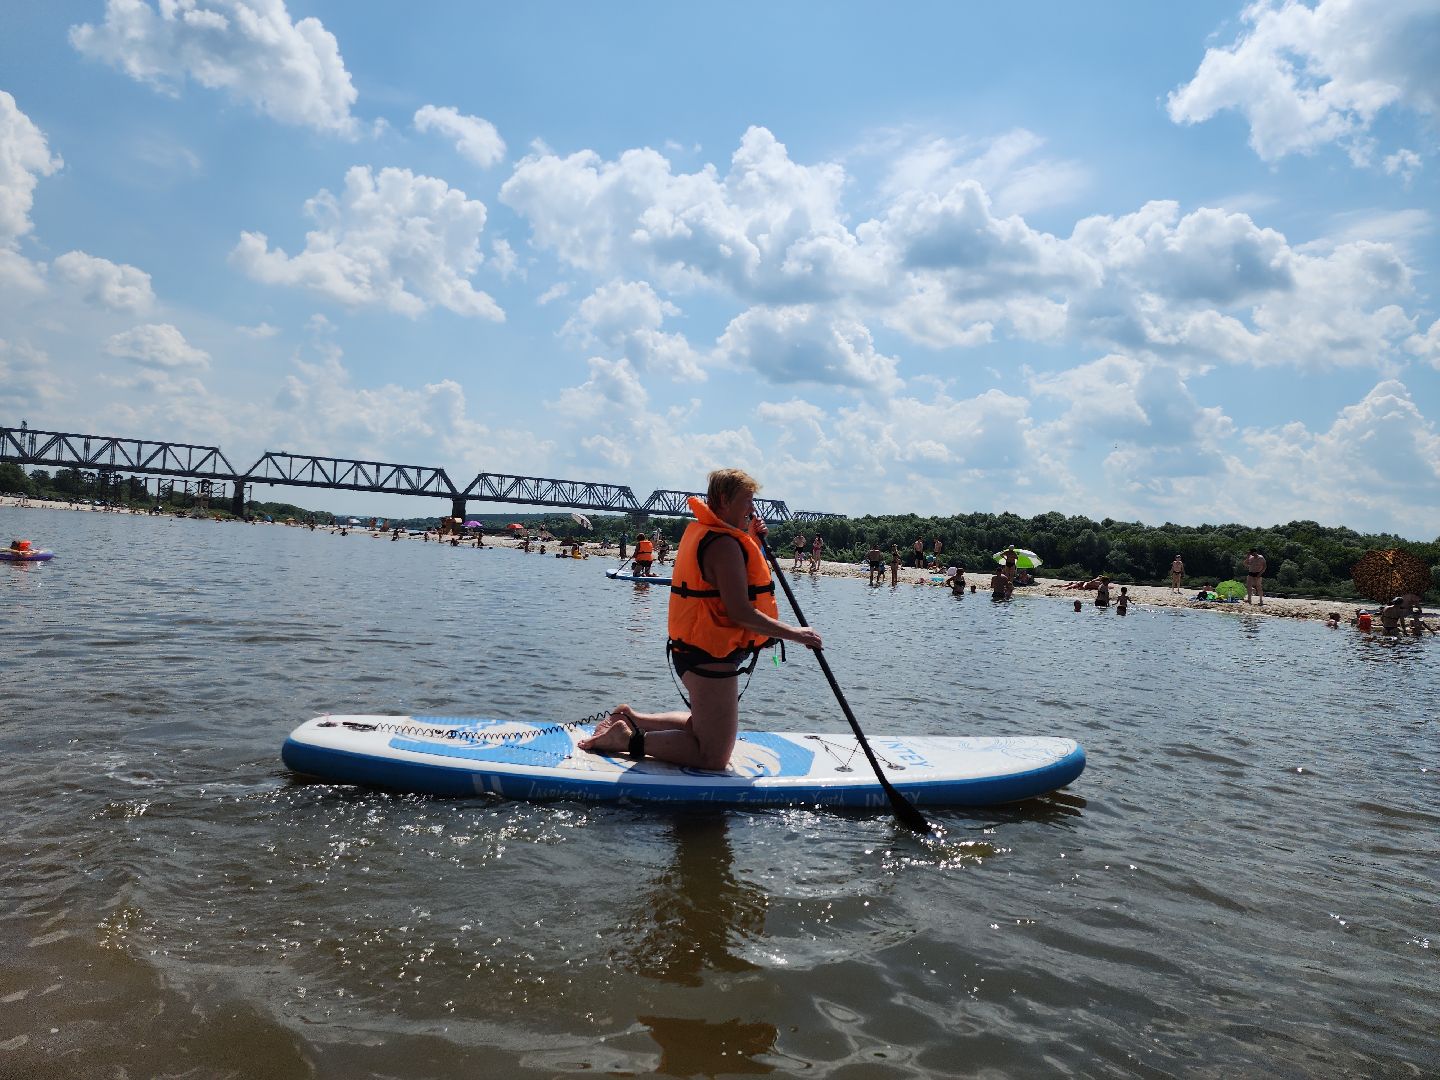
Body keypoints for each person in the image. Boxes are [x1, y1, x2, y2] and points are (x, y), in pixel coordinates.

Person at [578, 468, 822, 770]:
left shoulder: (719, 537)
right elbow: (740, 612)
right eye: (747, 501)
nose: (753, 508)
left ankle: (631, 718)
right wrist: (798, 635)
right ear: (723, 500)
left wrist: (751, 538)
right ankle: (624, 740)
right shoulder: (723, 545)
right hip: (709, 655)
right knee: (713, 756)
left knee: (702, 727)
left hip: (699, 650)